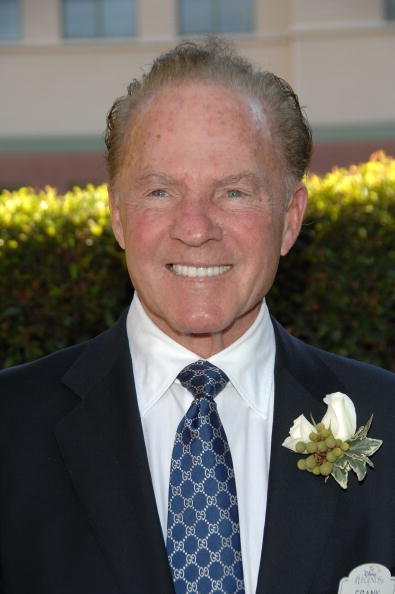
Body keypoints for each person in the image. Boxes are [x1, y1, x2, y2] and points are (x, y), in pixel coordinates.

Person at [0, 38, 394, 594]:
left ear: (289, 220)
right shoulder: (11, 431)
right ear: (116, 215)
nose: (195, 227)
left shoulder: (390, 424)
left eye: (233, 192)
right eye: (160, 191)